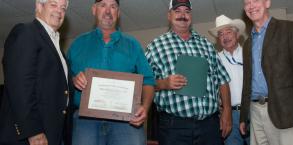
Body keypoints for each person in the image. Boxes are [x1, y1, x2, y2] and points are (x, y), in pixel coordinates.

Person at [67, 0, 155, 145]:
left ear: (118, 13)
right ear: (94, 10)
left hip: (127, 121)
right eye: (103, 5)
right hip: (85, 121)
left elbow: (148, 81)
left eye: (113, 6)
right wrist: (73, 79)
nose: (108, 11)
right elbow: (62, 79)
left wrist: (145, 108)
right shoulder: (78, 43)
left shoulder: (133, 44)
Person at [145, 0, 232, 145]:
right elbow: (144, 83)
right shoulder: (155, 46)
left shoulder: (207, 45)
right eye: (177, 11)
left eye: (187, 11)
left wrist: (227, 112)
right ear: (169, 15)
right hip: (173, 128)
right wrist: (163, 83)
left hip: (209, 125)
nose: (183, 15)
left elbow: (222, 80)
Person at [239, 0, 293, 145]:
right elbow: (247, 81)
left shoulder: (289, 28)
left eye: (255, 0)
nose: (251, 6)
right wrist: (244, 116)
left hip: (286, 111)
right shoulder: (247, 44)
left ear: (267, 3)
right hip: (255, 113)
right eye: (246, 3)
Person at [0, 0, 71, 145]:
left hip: (52, 133)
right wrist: (33, 131)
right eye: (53, 4)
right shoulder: (26, 32)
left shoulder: (59, 50)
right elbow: (19, 85)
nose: (59, 10)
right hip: (32, 137)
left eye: (63, 8)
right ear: (39, 6)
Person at [209, 14, 249, 145]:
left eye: (228, 32)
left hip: (252, 111)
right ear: (218, 39)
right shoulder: (215, 60)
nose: (225, 37)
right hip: (228, 115)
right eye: (221, 34)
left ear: (237, 35)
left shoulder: (249, 54)